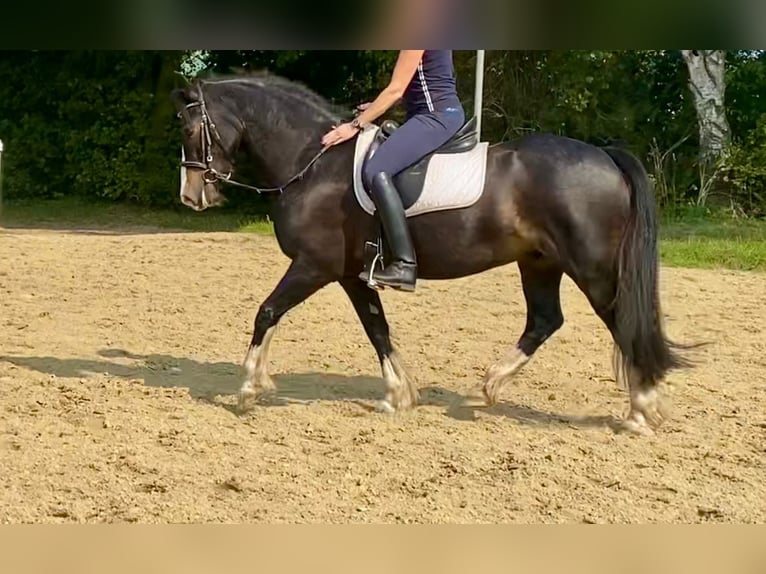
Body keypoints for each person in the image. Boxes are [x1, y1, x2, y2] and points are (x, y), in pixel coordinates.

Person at [321, 50, 465, 292]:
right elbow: (419, 82)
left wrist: (355, 125)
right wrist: (373, 107)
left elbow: (396, 89)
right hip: (435, 113)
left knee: (376, 169)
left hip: (434, 116)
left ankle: (404, 264)